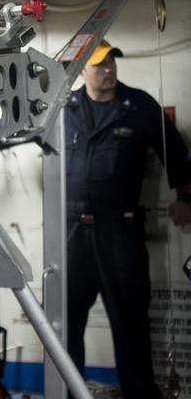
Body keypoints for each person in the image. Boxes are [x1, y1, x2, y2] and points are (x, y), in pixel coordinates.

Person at [65, 41, 191, 398]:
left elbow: (176, 153)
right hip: (71, 234)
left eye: (112, 62)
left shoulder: (139, 106)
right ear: (83, 70)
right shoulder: (64, 107)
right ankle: (69, 392)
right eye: (100, 64)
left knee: (131, 325)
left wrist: (185, 197)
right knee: (64, 324)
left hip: (119, 231)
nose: (109, 70)